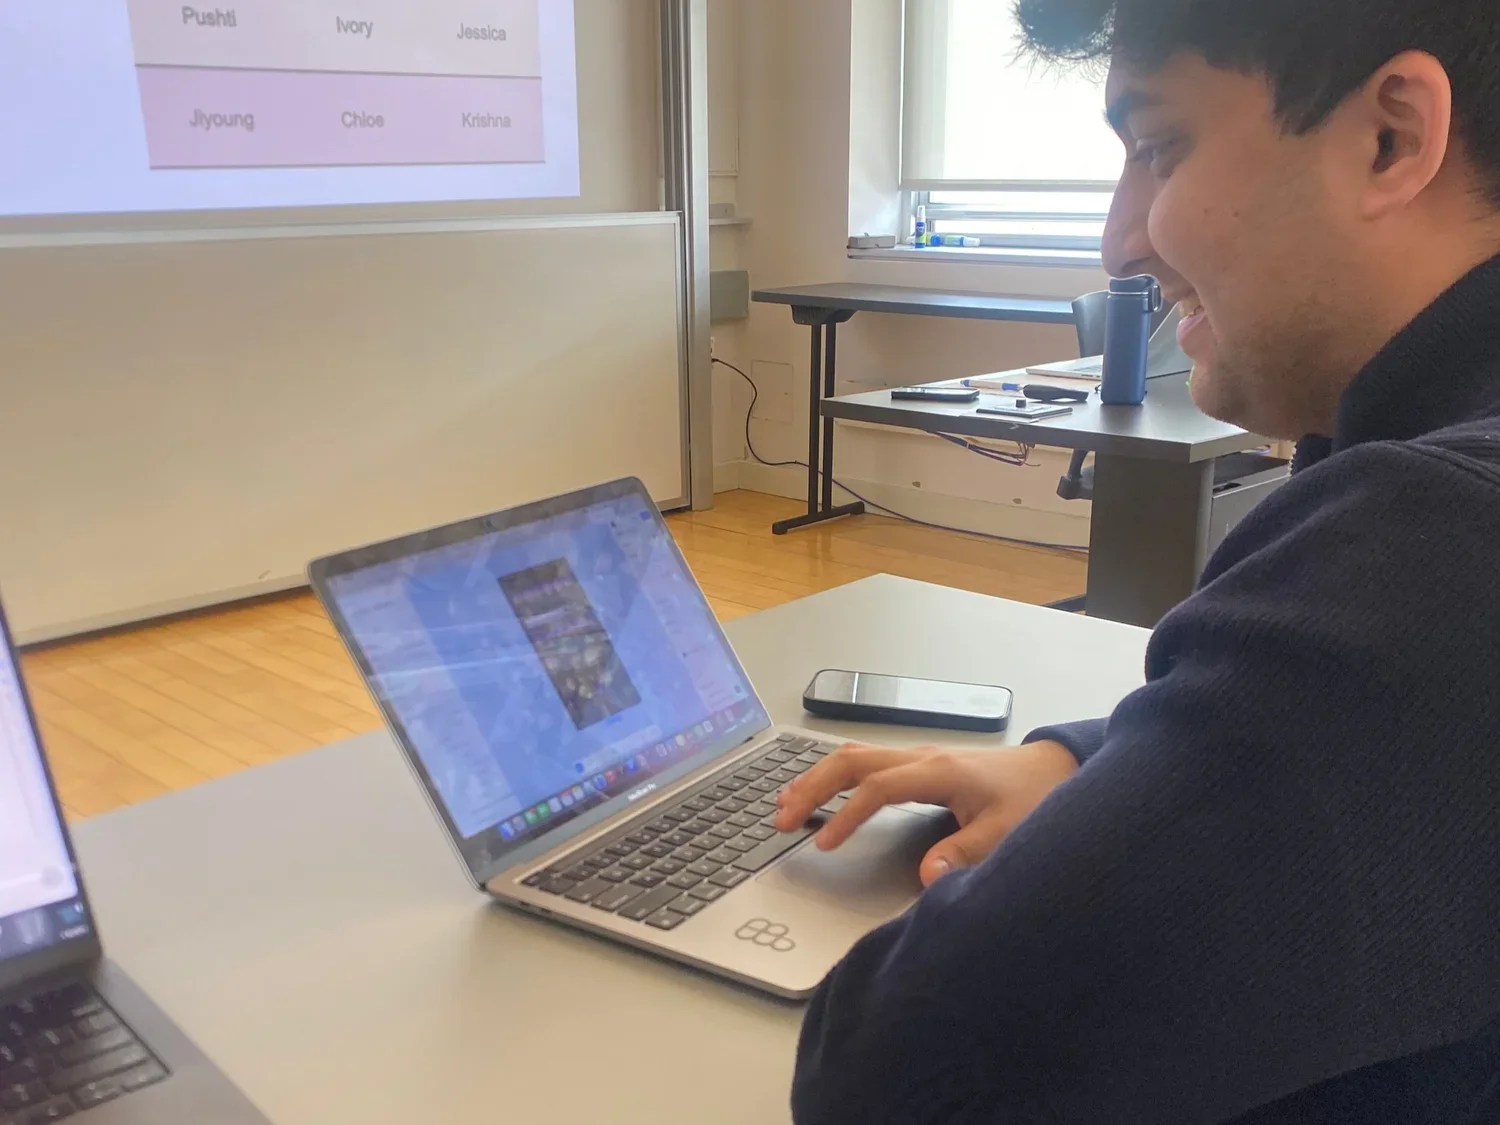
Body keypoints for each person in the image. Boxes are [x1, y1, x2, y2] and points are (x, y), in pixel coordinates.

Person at [779, 1, 1500, 1122]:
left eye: (1161, 146)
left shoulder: (1431, 543)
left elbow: (893, 1076)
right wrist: (1084, 763)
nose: (1121, 241)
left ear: (1392, 136)